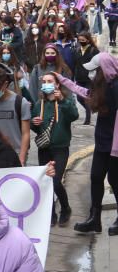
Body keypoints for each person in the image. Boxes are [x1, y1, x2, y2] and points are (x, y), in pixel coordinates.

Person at [56, 54, 118, 234]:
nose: (91, 74)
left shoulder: (115, 87)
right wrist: (64, 81)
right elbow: (85, 93)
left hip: (114, 145)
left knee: (115, 179)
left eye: (95, 70)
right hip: (102, 141)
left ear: (104, 69)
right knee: (96, 177)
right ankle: (94, 219)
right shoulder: (102, 85)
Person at [31, 71, 78, 226]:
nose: (46, 84)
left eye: (49, 81)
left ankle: (65, 208)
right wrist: (34, 123)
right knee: (46, 182)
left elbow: (74, 116)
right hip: (44, 148)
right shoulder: (39, 104)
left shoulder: (66, 100)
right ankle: (50, 213)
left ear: (57, 84)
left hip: (60, 148)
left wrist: (63, 100)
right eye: (44, 82)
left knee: (56, 181)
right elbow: (37, 129)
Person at [0, 66, 31, 165]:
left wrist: (22, 157)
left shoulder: (20, 102)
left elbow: (26, 133)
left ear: (5, 84)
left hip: (15, 152)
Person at [74, 32, 99, 125]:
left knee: (87, 98)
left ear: (88, 40)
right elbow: (75, 64)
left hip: (89, 79)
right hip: (79, 78)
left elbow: (98, 64)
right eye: (79, 40)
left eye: (83, 40)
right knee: (79, 98)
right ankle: (90, 109)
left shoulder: (94, 50)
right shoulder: (77, 50)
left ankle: (87, 118)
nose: (81, 42)